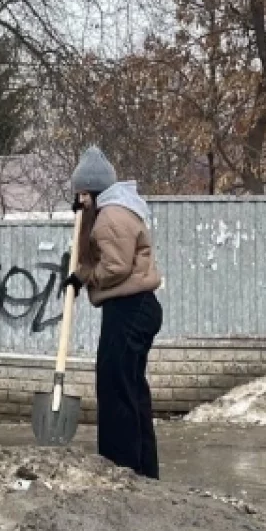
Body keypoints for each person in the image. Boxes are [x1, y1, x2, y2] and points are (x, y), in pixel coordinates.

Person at [64, 147, 163, 479]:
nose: (79, 200)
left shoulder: (111, 215)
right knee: (130, 387)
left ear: (94, 191)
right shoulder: (115, 211)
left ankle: (121, 465)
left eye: (82, 193)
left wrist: (87, 278)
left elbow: (115, 267)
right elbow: (100, 256)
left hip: (130, 308)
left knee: (115, 387)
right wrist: (80, 274)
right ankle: (142, 468)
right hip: (136, 307)